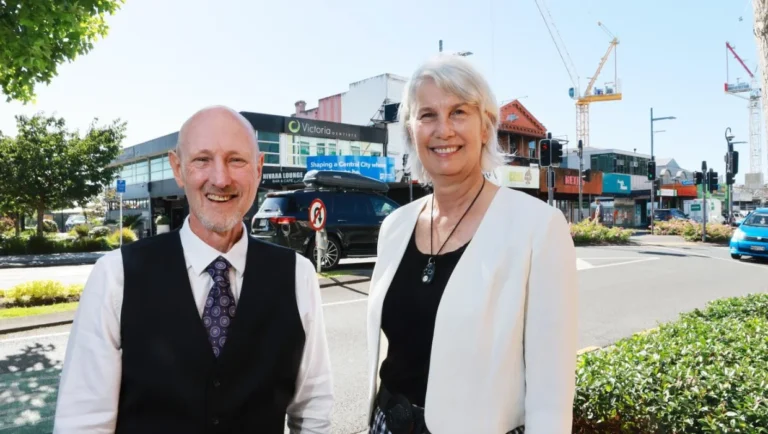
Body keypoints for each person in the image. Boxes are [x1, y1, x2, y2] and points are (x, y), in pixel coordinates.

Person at [53, 106, 333, 434]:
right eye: (202, 159)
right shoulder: (116, 277)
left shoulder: (298, 276)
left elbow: (313, 408)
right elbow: (83, 423)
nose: (220, 178)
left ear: (258, 169)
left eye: (236, 160)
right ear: (178, 168)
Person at [366, 55, 578, 434]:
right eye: (427, 115)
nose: (443, 130)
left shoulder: (538, 227)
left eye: (459, 112)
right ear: (411, 131)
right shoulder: (395, 226)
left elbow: (551, 391)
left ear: (485, 127)